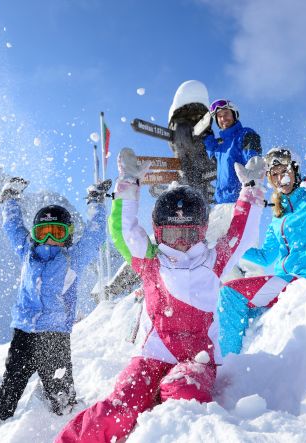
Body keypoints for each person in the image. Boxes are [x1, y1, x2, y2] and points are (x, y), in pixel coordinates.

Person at [54, 148, 266, 443]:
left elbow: (240, 233)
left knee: (184, 393)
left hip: (197, 358)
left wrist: (251, 192)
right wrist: (128, 185)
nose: (180, 243)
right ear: (158, 232)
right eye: (171, 235)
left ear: (202, 231)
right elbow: (124, 231)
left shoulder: (212, 261)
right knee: (122, 405)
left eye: (188, 235)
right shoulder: (150, 261)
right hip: (151, 356)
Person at [0, 177, 111, 436]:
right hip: (24, 333)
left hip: (55, 335)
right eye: (43, 232)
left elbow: (95, 234)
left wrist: (96, 201)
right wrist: (10, 200)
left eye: (57, 233)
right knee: (10, 386)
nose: (49, 239)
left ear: (68, 236)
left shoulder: (74, 258)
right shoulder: (26, 251)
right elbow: (13, 227)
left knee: (61, 394)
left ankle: (62, 431)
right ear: (35, 234)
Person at [217, 148, 306, 356]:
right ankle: (237, 359)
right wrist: (230, 246)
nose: (280, 178)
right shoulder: (278, 215)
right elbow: (265, 256)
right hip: (283, 280)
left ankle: (227, 364)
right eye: (274, 174)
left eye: (284, 171)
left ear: (295, 170)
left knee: (230, 294)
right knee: (242, 310)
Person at [203, 98, 262, 204]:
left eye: (226, 113)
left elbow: (253, 158)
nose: (223, 118)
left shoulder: (245, 134)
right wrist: (206, 134)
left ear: (234, 114)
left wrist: (253, 178)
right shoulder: (221, 146)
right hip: (220, 202)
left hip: (240, 199)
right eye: (219, 116)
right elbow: (211, 150)